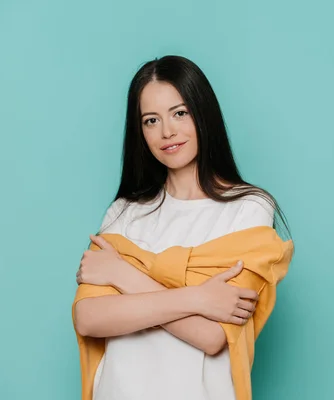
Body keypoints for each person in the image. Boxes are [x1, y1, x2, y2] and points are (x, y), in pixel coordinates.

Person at [73, 55, 291, 400]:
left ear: (203, 113)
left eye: (180, 113)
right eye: (150, 120)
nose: (167, 132)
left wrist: (122, 275)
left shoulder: (249, 208)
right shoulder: (124, 213)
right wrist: (198, 298)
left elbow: (211, 335)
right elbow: (88, 318)